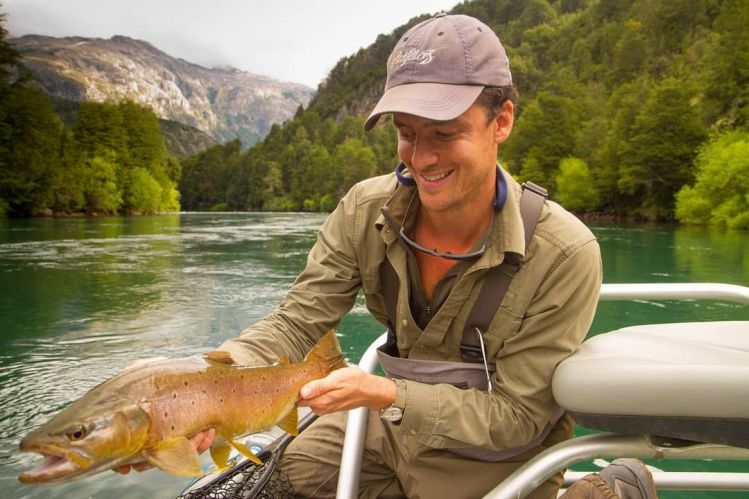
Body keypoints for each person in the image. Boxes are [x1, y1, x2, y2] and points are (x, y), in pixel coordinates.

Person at [120, 13, 657, 499]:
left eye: (444, 134)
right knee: (280, 483)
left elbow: (516, 418)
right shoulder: (363, 209)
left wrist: (384, 392)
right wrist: (205, 387)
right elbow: (296, 323)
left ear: (502, 122)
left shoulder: (565, 254)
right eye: (406, 134)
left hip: (489, 455)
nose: (421, 159)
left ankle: (608, 490)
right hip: (382, 427)